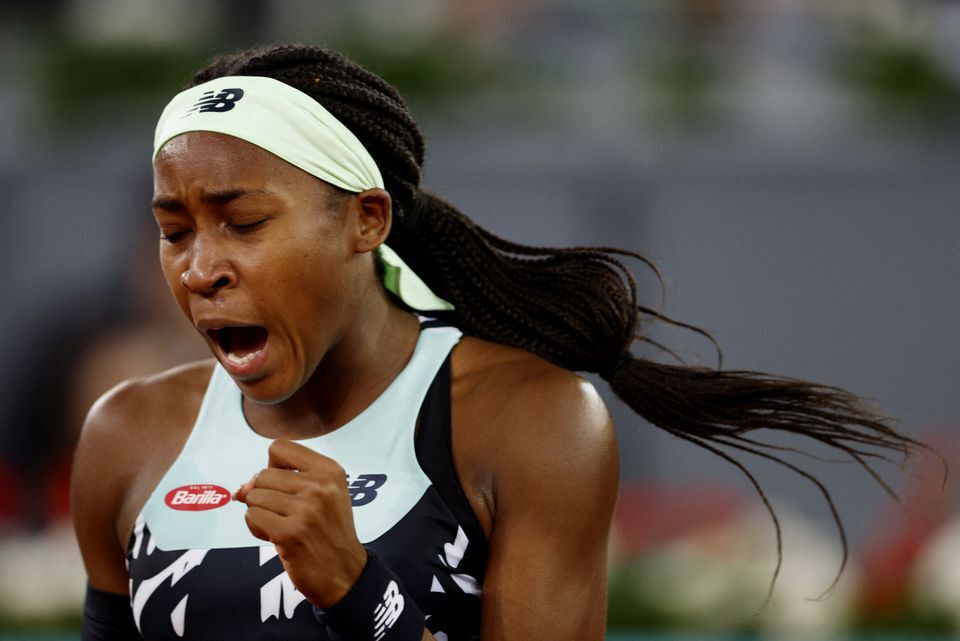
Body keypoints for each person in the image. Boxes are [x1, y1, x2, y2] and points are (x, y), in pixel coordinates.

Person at [70, 44, 926, 641]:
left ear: (367, 220)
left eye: (244, 222)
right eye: (173, 230)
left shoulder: (531, 419)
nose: (199, 268)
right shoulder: (128, 435)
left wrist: (358, 592)